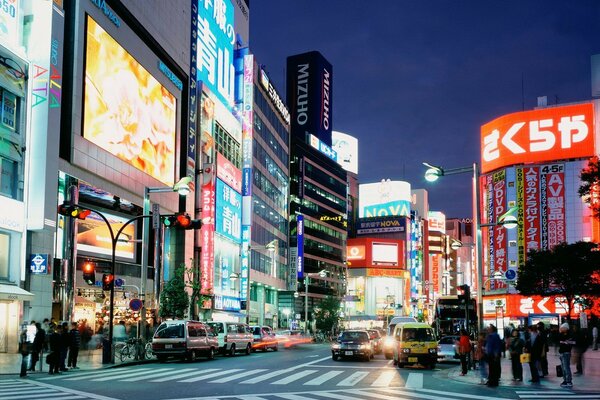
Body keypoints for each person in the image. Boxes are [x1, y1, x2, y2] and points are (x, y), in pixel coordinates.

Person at [558, 323, 575, 388]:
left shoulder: (569, 335)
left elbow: (572, 342)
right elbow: (557, 339)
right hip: (562, 352)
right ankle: (565, 380)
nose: (561, 329)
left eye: (562, 328)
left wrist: (565, 342)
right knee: (563, 367)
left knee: (566, 367)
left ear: (566, 329)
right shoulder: (561, 335)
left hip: (566, 352)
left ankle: (568, 380)